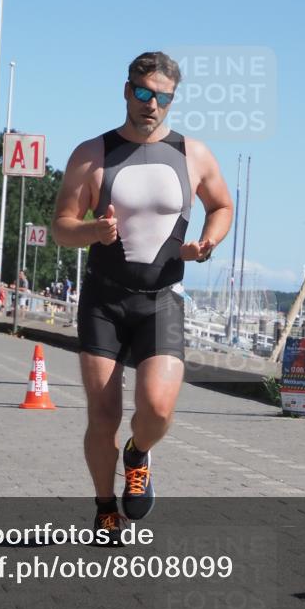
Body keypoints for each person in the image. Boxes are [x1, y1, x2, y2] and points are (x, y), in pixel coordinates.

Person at [52, 51, 233, 541]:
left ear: (173, 100)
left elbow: (222, 205)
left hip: (162, 299)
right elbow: (62, 227)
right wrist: (92, 231)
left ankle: (138, 454)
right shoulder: (91, 154)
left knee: (157, 410)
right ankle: (104, 508)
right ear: (126, 90)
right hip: (104, 300)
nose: (151, 104)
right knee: (103, 415)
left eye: (162, 97)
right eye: (142, 92)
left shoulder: (193, 154)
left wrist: (208, 242)